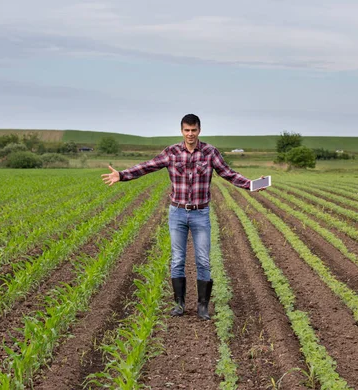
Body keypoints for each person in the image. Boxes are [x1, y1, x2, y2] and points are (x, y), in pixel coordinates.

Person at [101, 113, 258, 320]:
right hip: (177, 213)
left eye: (193, 130)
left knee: (202, 260)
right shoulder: (172, 152)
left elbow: (228, 173)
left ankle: (202, 307)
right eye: (186, 130)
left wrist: (251, 184)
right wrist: (122, 175)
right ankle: (179, 304)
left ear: (199, 130)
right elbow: (148, 166)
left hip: (201, 212)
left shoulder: (210, 152)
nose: (190, 134)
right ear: (182, 131)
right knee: (177, 259)